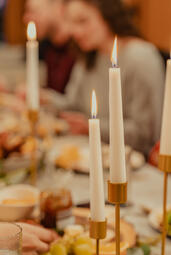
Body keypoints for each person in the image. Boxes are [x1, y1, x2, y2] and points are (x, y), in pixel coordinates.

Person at [46, 0, 165, 157]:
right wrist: (44, 99)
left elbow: (146, 134)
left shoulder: (141, 58)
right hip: (93, 154)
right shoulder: (88, 55)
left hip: (132, 162)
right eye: (71, 22)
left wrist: (92, 128)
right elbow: (74, 105)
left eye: (83, 21)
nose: (75, 31)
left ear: (108, 16)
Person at [24, 0, 75, 93]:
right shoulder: (47, 46)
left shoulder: (81, 47)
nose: (26, 18)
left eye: (33, 11)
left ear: (59, 8)